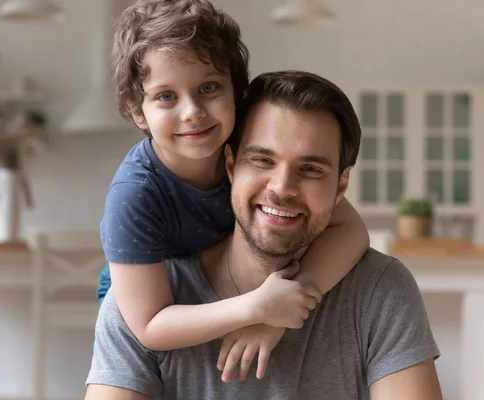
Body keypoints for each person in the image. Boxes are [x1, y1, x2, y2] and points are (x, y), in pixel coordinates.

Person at [85, 70, 442, 400]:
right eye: (262, 160)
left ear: (341, 185)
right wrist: (257, 311)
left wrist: (277, 313)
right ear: (230, 165)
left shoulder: (379, 290)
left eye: (311, 169)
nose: (282, 188)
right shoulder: (140, 300)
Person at [96, 0, 370, 373]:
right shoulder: (135, 195)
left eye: (208, 87)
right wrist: (257, 307)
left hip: (233, 289)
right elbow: (148, 325)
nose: (192, 111)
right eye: (166, 96)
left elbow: (351, 229)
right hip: (151, 308)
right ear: (135, 109)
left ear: (236, 91)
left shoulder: (252, 156)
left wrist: (279, 310)